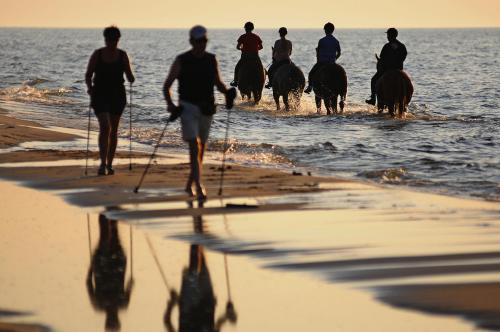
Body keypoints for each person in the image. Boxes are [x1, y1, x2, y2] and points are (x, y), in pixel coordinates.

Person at [163, 25, 235, 202]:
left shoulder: (212, 59)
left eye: (203, 41)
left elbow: (218, 83)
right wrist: (171, 105)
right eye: (197, 41)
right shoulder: (182, 60)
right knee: (194, 146)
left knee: (201, 147)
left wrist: (227, 93)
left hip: (207, 108)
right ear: (191, 42)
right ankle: (198, 185)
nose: (201, 44)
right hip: (187, 106)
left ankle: (190, 183)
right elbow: (167, 86)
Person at [85, 26, 135, 176]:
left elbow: (130, 76)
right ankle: (102, 164)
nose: (112, 42)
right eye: (109, 39)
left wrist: (131, 77)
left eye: (115, 40)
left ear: (118, 39)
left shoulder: (122, 55)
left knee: (114, 130)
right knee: (105, 127)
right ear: (105, 39)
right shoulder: (98, 54)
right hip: (99, 94)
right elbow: (88, 75)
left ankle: (110, 164)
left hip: (117, 95)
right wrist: (89, 88)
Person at [87, 214, 133, 331]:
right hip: (110, 265)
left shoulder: (103, 304)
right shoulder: (102, 304)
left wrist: (92, 266)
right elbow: (88, 283)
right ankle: (109, 213)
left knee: (106, 236)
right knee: (110, 235)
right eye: (114, 320)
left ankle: (107, 213)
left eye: (111, 320)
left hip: (110, 265)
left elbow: (88, 284)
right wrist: (92, 267)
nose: (113, 317)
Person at [365, 27, 407, 105]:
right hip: (399, 70)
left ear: (390, 35)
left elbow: (382, 60)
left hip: (387, 70)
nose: (387, 37)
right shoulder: (402, 46)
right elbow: (403, 58)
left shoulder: (387, 46)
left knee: (373, 80)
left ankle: (373, 98)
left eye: (388, 35)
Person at [304, 22, 341, 94]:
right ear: (333, 30)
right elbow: (339, 53)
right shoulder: (336, 41)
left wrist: (318, 59)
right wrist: (334, 59)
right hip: (332, 63)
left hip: (322, 62)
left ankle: (310, 87)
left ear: (325, 30)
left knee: (311, 73)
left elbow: (318, 53)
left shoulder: (321, 41)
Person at [230, 22, 263, 87]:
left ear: (245, 28)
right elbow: (261, 47)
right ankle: (263, 80)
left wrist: (241, 48)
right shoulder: (256, 36)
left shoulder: (242, 37)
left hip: (245, 57)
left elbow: (237, 47)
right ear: (252, 28)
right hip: (255, 57)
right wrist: (255, 49)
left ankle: (235, 81)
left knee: (237, 67)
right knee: (261, 68)